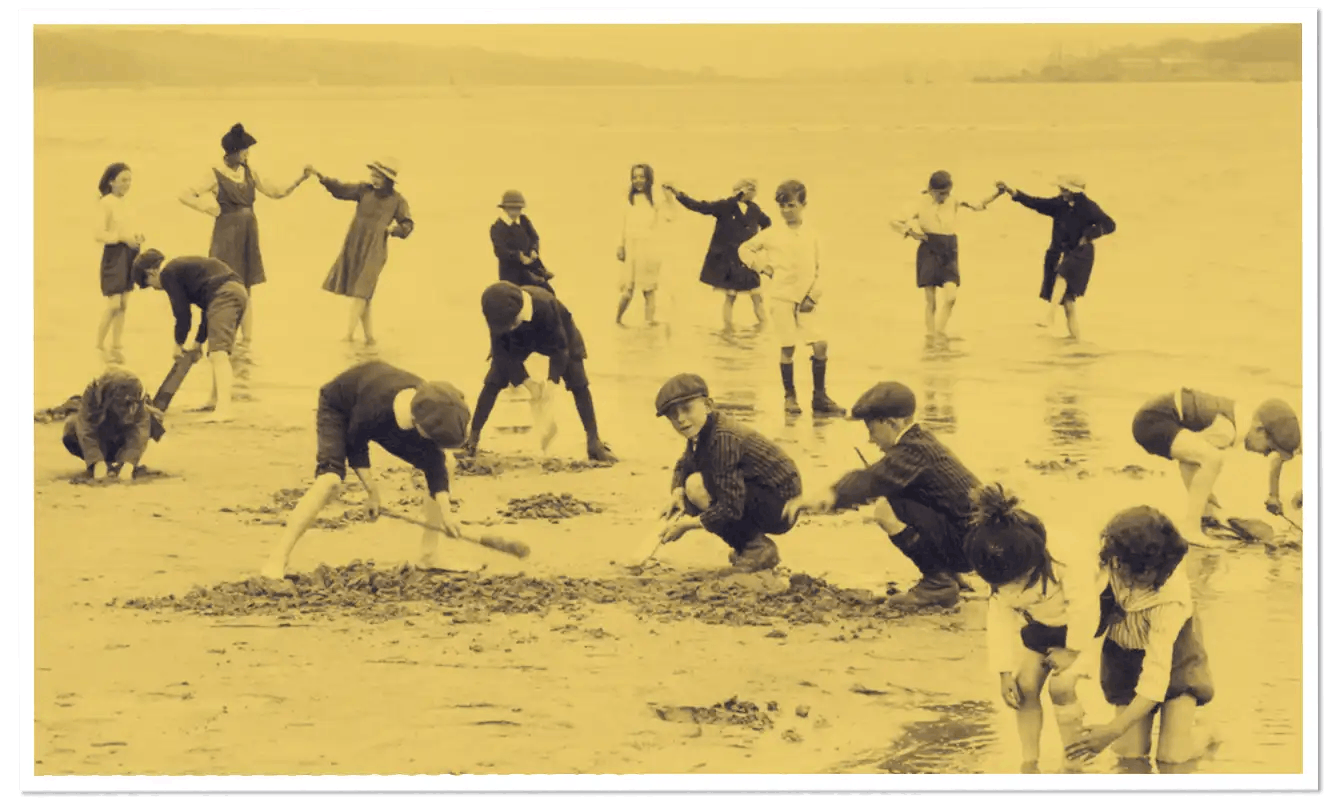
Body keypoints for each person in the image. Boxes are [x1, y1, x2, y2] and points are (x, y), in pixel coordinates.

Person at [260, 361, 471, 580]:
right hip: (339, 408)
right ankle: (278, 557)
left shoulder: (431, 405)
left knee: (447, 463)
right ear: (418, 422)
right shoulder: (377, 407)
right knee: (330, 481)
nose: (434, 443)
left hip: (384, 412)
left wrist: (447, 515)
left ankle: (429, 555)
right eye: (432, 437)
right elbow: (355, 444)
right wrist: (372, 493)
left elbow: (435, 463)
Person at [784, 381, 980, 608]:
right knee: (901, 494)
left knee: (888, 509)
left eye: (872, 429)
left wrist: (828, 496)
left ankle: (938, 583)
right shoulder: (921, 440)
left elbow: (871, 480)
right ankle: (948, 573)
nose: (870, 439)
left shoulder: (913, 450)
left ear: (892, 423)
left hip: (969, 547)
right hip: (974, 542)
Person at [965, 484, 1105, 773]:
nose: (1012, 589)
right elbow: (1000, 620)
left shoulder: (1067, 554)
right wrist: (1003, 673)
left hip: (1090, 626)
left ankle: (1074, 762)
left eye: (1020, 580)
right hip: (1043, 625)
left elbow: (1085, 608)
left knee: (1061, 687)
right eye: (1005, 585)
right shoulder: (999, 566)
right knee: (1024, 687)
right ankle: (1029, 763)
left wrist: (1072, 651)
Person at [1067, 506, 1216, 767]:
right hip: (1124, 657)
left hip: (1174, 660)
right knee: (1129, 756)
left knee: (1171, 758)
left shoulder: (1171, 597)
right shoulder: (1101, 565)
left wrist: (1112, 729)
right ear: (1116, 559)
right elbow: (1079, 621)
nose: (1140, 581)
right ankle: (1169, 726)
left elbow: (1156, 678)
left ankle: (1204, 735)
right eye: (1134, 573)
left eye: (1153, 575)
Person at [179, 123, 310, 361]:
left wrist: (300, 178)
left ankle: (246, 343)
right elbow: (185, 194)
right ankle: (221, 336)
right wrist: (209, 208)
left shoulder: (250, 171)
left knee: (246, 286)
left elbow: (276, 192)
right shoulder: (214, 172)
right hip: (226, 232)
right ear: (233, 151)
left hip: (249, 232)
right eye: (244, 150)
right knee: (223, 283)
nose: (247, 154)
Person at [655, 373, 803, 572]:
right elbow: (684, 463)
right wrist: (677, 492)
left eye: (687, 409)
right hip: (765, 495)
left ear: (708, 405)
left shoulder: (723, 438)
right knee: (691, 488)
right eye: (673, 415)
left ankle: (756, 548)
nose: (681, 419)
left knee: (698, 488)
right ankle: (749, 545)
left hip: (782, 506)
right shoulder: (704, 429)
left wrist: (687, 525)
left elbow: (730, 508)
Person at [465, 282, 616, 462]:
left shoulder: (545, 305)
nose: (504, 328)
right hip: (518, 340)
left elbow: (560, 349)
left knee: (578, 381)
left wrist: (552, 383)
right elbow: (501, 354)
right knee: (494, 379)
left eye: (508, 324)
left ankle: (593, 441)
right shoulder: (497, 311)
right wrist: (527, 382)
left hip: (559, 336)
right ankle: (472, 438)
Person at [1131, 388, 1301, 547]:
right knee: (1213, 459)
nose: (1265, 454)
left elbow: (1189, 461)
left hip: (1151, 420)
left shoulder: (1238, 417)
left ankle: (1204, 517)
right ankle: (1191, 528)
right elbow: (1200, 462)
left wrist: (1207, 498)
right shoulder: (1227, 430)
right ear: (1259, 429)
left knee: (1208, 459)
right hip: (1153, 420)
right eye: (1269, 448)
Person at [738, 179, 845, 417]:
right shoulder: (772, 234)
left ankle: (819, 397)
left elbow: (823, 268)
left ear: (804, 204)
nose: (787, 211)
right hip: (781, 297)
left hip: (807, 301)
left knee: (820, 343)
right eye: (783, 206)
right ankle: (790, 397)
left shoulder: (813, 235)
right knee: (787, 346)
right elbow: (744, 249)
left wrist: (813, 297)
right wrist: (763, 267)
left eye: (792, 205)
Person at [131, 249, 248, 423]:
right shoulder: (182, 269)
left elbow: (182, 314)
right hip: (235, 291)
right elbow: (208, 308)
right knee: (216, 353)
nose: (155, 289)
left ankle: (224, 410)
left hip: (225, 294)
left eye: (148, 283)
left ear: (151, 272)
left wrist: (178, 344)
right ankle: (214, 400)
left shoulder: (168, 273)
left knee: (219, 354)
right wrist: (198, 342)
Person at [308, 158, 414, 345]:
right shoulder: (363, 190)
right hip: (355, 244)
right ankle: (369, 338)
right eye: (373, 175)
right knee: (365, 294)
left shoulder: (397, 201)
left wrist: (393, 230)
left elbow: (407, 225)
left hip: (376, 248)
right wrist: (320, 176)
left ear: (388, 179)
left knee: (362, 291)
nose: (374, 179)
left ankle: (348, 336)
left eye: (378, 176)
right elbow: (340, 190)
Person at [998, 175, 1116, 340]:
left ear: (1073, 191)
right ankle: (1076, 340)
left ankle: (1049, 316)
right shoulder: (1059, 204)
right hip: (1061, 252)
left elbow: (1110, 225)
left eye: (1063, 189)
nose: (1060, 192)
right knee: (1068, 302)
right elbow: (1036, 203)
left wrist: (1090, 235)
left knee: (1062, 273)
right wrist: (1012, 192)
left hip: (1082, 252)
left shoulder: (1089, 207)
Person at [889, 170, 1003, 339]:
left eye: (947, 193)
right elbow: (894, 220)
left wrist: (997, 194)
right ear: (931, 189)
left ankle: (940, 332)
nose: (945, 196)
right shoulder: (919, 202)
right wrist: (912, 233)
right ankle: (932, 337)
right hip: (929, 248)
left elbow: (978, 205)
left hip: (949, 248)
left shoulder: (953, 199)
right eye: (941, 193)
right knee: (931, 301)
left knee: (951, 297)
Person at [663, 178, 771, 331]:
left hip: (747, 259)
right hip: (729, 260)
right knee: (731, 296)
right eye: (749, 188)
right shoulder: (726, 205)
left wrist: (760, 246)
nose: (753, 191)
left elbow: (768, 224)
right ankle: (727, 331)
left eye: (754, 188)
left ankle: (764, 329)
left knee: (757, 296)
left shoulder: (755, 209)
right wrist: (678, 194)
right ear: (740, 190)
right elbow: (699, 206)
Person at [61, 368, 165, 480]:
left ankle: (119, 461)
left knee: (151, 418)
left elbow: (139, 431)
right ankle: (106, 463)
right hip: (103, 434)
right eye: (124, 404)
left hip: (121, 435)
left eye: (132, 403)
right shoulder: (94, 394)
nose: (130, 410)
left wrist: (129, 464)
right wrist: (97, 463)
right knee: (71, 426)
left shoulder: (136, 393)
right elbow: (86, 430)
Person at [93, 162, 144, 364]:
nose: (127, 184)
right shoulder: (106, 202)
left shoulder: (127, 203)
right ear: (111, 181)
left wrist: (137, 236)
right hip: (114, 255)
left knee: (124, 304)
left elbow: (129, 228)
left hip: (130, 254)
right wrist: (122, 237)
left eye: (130, 180)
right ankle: (98, 344)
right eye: (123, 180)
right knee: (113, 304)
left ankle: (116, 346)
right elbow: (98, 234)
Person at [616, 163, 677, 326]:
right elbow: (623, 224)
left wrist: (669, 197)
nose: (638, 180)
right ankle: (617, 320)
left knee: (649, 290)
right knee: (628, 290)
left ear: (649, 179)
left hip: (649, 249)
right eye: (634, 177)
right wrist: (620, 246)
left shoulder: (655, 200)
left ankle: (648, 323)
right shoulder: (629, 199)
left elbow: (670, 217)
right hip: (631, 247)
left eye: (642, 177)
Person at [490, 190, 556, 294]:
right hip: (511, 273)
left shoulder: (524, 220)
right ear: (505, 208)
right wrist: (518, 256)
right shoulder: (497, 228)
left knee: (549, 293)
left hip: (531, 267)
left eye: (519, 208)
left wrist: (534, 250)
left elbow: (535, 237)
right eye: (513, 208)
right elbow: (500, 251)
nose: (517, 212)